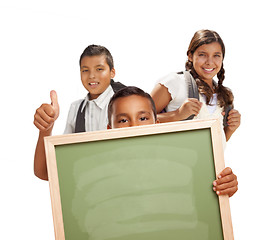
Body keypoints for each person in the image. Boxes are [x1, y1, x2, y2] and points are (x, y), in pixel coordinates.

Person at [107, 86, 238, 197]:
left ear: (156, 124)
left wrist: (226, 185)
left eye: (142, 118)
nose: (134, 127)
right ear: (109, 129)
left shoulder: (182, 164)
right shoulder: (102, 172)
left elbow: (204, 190)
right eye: (123, 120)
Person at [33, 45, 125, 180]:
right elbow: (46, 171)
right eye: (85, 70)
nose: (92, 76)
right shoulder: (76, 109)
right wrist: (46, 128)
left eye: (99, 69)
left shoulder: (127, 101)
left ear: (112, 72)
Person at [150, 29, 241, 143]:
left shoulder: (225, 96)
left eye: (216, 55)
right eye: (203, 55)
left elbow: (217, 143)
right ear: (190, 56)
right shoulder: (175, 82)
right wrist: (177, 115)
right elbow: (139, 121)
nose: (210, 62)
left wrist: (230, 129)